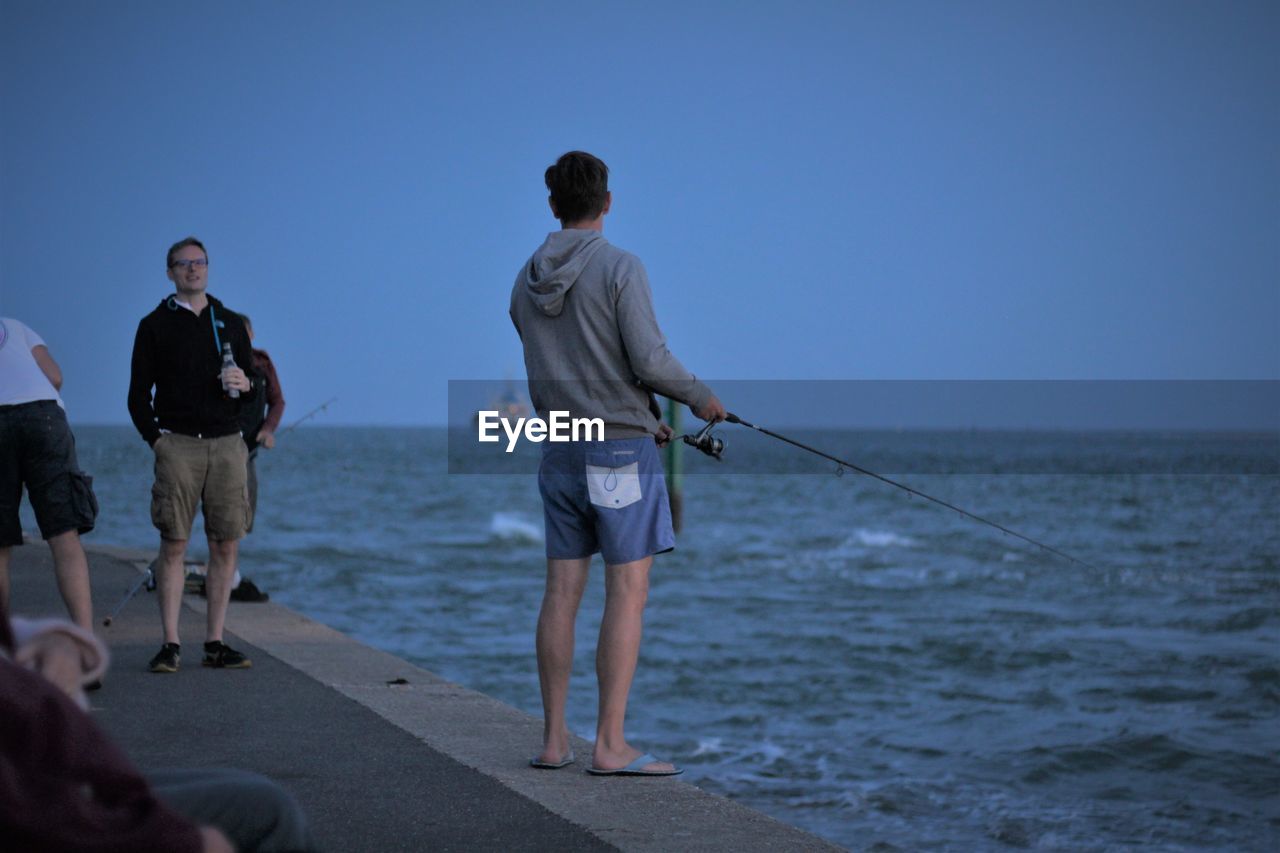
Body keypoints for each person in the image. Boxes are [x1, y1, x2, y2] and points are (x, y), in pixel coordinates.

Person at [510, 151, 725, 776]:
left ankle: (553, 742)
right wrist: (700, 397)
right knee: (627, 590)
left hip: (560, 447)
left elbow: (559, 366)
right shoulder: (620, 266)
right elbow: (650, 360)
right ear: (607, 202)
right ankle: (609, 745)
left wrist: (635, 414)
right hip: (617, 453)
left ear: (553, 205)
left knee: (561, 591)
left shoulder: (523, 279)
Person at [0, 610, 315, 851]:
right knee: (269, 810)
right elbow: (31, 814)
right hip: (49, 789)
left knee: (257, 792)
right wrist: (177, 839)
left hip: (65, 775)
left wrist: (57, 641)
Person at [127, 236, 256, 673]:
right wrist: (156, 440)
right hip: (177, 442)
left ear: (208, 267)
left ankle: (215, 642)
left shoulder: (230, 322)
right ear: (170, 272)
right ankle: (170, 643)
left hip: (226, 443)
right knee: (174, 544)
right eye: (183, 264)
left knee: (225, 543)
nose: (192, 270)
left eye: (199, 262)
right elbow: (136, 395)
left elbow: (255, 384)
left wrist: (246, 387)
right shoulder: (154, 325)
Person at [0, 317, 98, 632]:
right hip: (43, 415)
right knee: (63, 535)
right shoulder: (15, 327)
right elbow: (54, 376)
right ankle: (85, 645)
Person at [185, 312, 283, 604]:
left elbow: (277, 401)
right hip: (218, 449)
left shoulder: (262, 363)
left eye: (245, 334)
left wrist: (267, 430)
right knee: (218, 517)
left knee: (243, 515)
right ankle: (226, 576)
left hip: (248, 452)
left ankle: (231, 575)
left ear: (251, 335)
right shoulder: (215, 363)